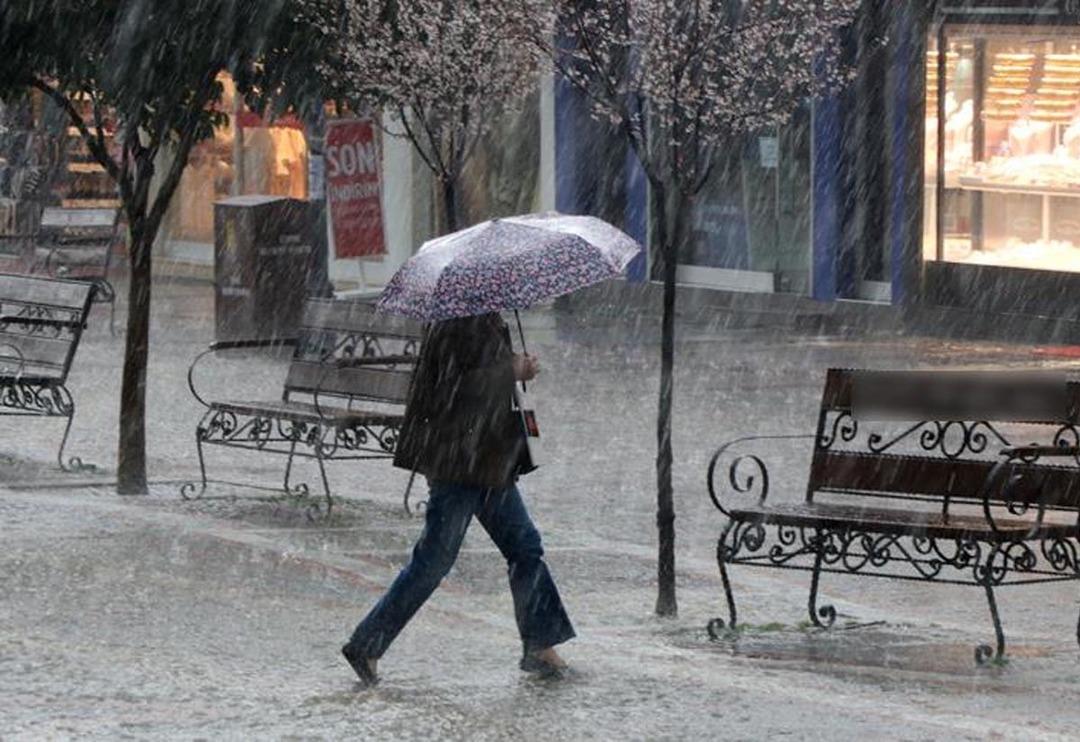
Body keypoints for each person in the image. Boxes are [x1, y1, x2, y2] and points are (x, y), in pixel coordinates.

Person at [342, 312, 575, 685]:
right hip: (459, 463)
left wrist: (514, 368)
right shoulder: (456, 320)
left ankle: (540, 646)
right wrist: (510, 370)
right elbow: (454, 388)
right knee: (433, 561)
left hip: (487, 462)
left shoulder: (480, 316)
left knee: (525, 547)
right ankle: (367, 643)